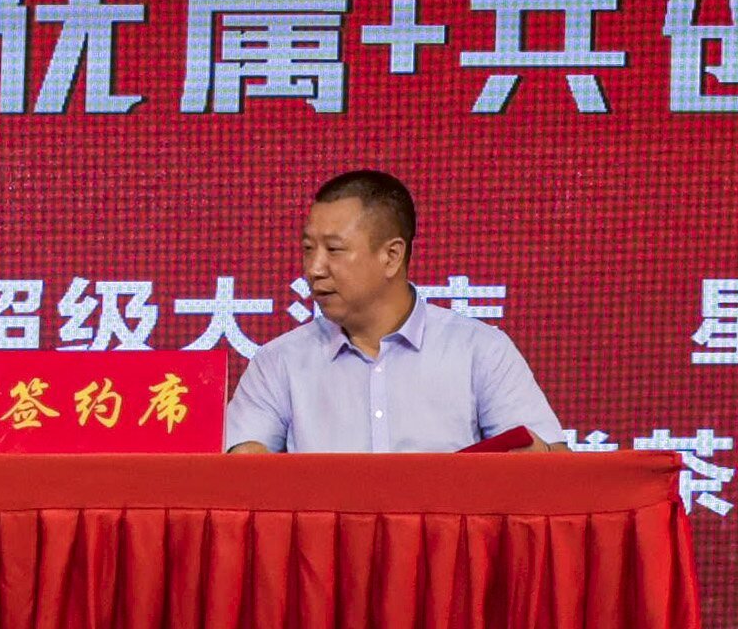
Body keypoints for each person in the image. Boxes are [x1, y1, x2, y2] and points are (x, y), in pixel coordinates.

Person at [221, 169, 563, 452]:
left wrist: (531, 459)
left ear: (392, 256)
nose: (314, 268)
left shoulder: (480, 350)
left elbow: (552, 466)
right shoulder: (279, 362)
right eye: (308, 248)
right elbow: (241, 464)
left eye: (334, 250)